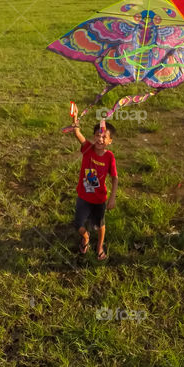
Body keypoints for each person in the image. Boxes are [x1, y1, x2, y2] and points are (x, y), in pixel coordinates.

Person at [71, 109, 118, 260]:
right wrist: (75, 119)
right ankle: (86, 237)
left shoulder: (110, 157)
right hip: (83, 197)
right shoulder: (88, 149)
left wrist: (112, 198)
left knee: (99, 225)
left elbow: (115, 178)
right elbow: (78, 134)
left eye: (104, 137)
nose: (100, 139)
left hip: (99, 200)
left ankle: (99, 246)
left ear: (110, 141)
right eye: (98, 135)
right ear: (93, 137)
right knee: (78, 224)